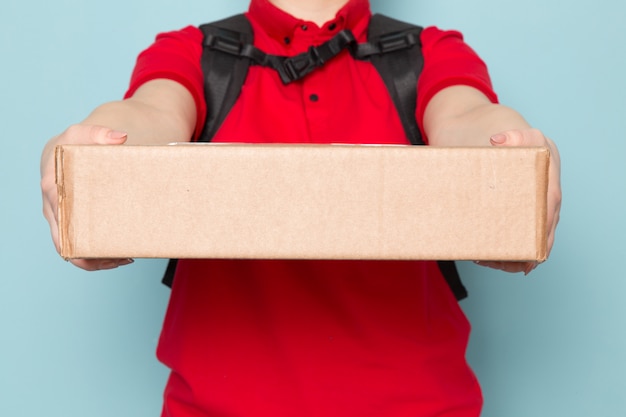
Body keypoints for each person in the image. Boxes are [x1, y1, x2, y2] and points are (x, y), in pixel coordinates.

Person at [40, 0, 562, 415]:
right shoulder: (192, 52)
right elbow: (149, 110)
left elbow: (466, 116)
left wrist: (514, 151)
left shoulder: (430, 51)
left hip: (419, 406)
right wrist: (85, 151)